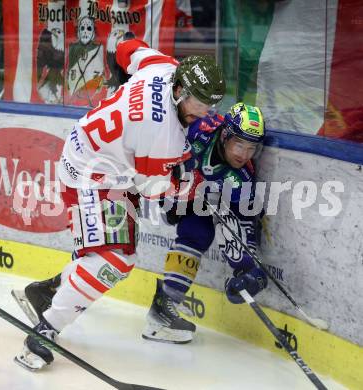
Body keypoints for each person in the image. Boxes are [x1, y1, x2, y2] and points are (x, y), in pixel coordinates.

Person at [12, 34, 225, 371]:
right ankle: (45, 331)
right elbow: (154, 189)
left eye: (212, 103)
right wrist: (186, 186)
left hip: (102, 159)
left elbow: (125, 46)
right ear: (182, 91)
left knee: (111, 251)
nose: (208, 111)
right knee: (115, 258)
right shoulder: (163, 136)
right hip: (92, 177)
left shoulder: (164, 67)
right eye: (201, 103)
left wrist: (128, 97)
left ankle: (48, 293)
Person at [142, 102, 268, 344]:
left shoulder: (242, 179)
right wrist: (164, 190)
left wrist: (251, 271)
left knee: (200, 230)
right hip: (166, 185)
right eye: (239, 144)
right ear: (225, 135)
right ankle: (162, 309)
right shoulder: (199, 129)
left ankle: (163, 310)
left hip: (199, 200)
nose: (244, 154)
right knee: (191, 226)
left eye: (252, 147)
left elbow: (245, 224)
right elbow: (159, 140)